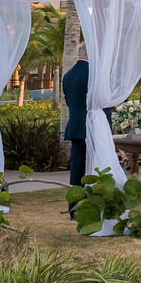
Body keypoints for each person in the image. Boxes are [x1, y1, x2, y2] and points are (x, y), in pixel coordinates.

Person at [62, 42, 90, 216]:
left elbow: (68, 102)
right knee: (91, 169)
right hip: (90, 127)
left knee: (77, 169)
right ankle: (89, 207)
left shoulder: (68, 75)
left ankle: (74, 208)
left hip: (75, 126)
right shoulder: (92, 73)